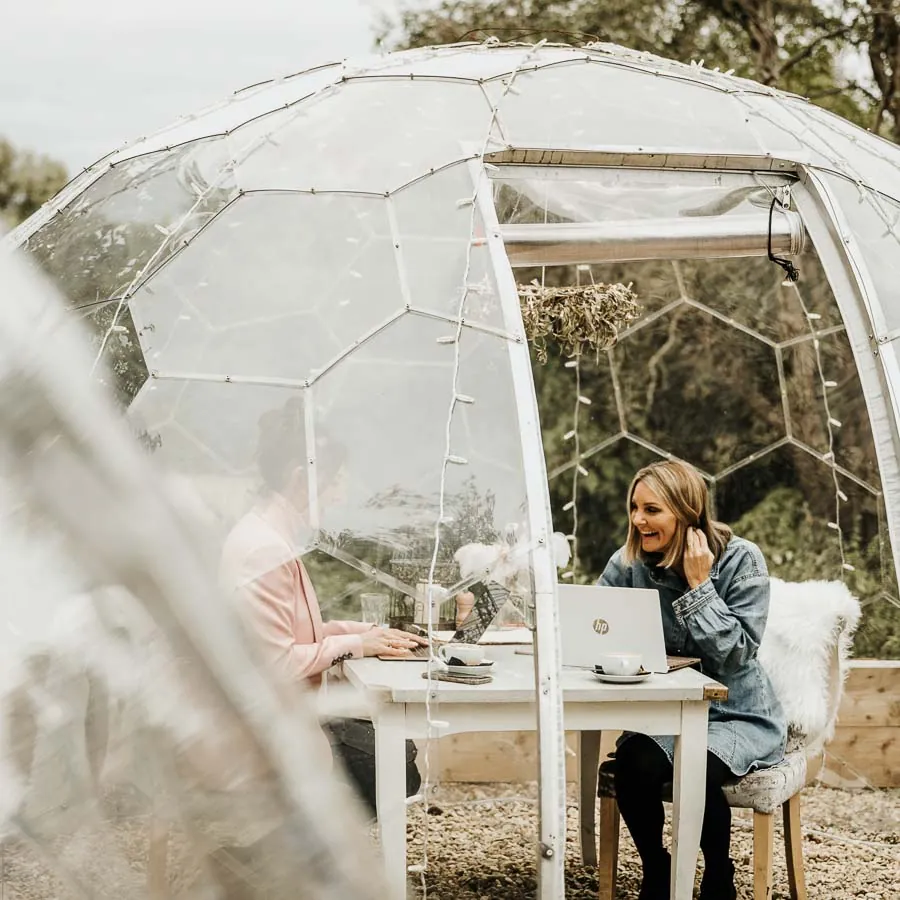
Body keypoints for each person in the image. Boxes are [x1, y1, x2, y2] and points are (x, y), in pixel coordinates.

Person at [220, 397, 425, 817]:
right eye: (335, 482)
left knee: (400, 749)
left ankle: (287, 858)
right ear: (301, 478)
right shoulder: (263, 550)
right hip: (268, 732)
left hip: (280, 715)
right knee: (397, 767)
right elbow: (277, 663)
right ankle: (270, 860)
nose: (340, 496)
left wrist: (364, 635)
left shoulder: (268, 536)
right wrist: (354, 645)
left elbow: (290, 633)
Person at [598, 460, 786, 900]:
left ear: (685, 511)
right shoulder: (628, 564)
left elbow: (737, 652)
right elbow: (595, 623)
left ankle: (719, 876)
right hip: (669, 711)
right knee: (632, 765)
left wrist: (700, 586)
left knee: (693, 766)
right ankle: (658, 870)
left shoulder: (742, 559)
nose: (638, 520)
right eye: (634, 508)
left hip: (735, 714)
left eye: (652, 510)